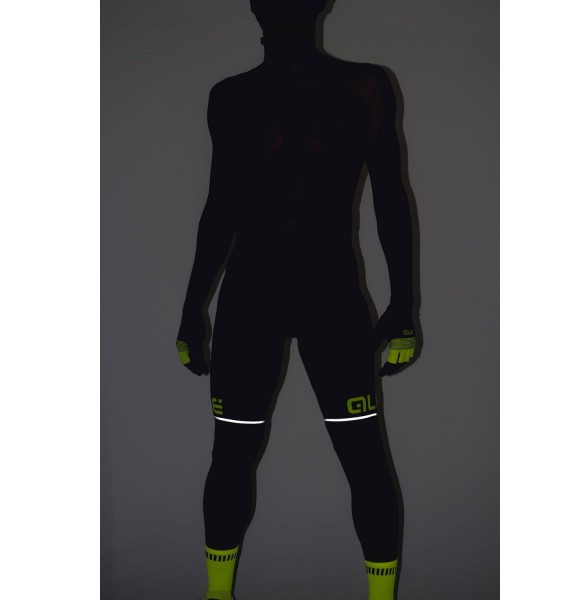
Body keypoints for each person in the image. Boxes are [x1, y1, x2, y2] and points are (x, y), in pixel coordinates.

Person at [176, 1, 419, 598]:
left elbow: (391, 198)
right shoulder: (247, 95)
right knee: (247, 457)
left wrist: (192, 310)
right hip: (301, 298)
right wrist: (190, 310)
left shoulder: (356, 86)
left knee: (347, 458)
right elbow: (220, 207)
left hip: (278, 299)